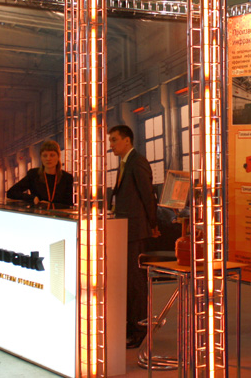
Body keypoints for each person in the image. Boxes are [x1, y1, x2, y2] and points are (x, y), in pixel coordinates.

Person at [108, 124, 159, 349]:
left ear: (127, 140)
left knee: (136, 282)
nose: (111, 145)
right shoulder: (124, 163)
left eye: (114, 140)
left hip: (135, 231)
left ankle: (140, 329)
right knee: (127, 281)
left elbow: (148, 196)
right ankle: (130, 325)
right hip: (124, 230)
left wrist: (153, 224)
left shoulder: (137, 162)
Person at [6, 140, 74, 208]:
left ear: (58, 157)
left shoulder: (67, 178)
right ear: (41, 158)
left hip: (58, 214)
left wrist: (50, 205)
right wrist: (32, 198)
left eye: (52, 155)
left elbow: (68, 204)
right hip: (38, 213)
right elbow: (11, 192)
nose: (48, 158)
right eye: (45, 156)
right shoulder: (33, 174)